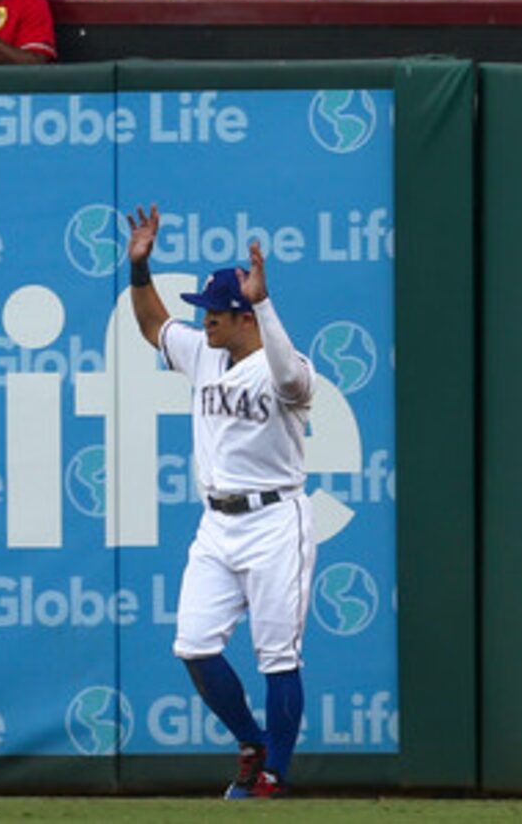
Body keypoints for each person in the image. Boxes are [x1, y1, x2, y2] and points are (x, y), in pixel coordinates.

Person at [117, 208, 315, 799]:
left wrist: (267, 302)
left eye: (215, 312)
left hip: (277, 518)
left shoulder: (283, 366)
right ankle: (253, 744)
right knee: (194, 645)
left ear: (245, 318)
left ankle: (273, 776)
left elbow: (293, 381)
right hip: (218, 523)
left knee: (278, 656)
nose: (203, 319)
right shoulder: (205, 351)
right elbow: (153, 324)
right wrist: (140, 266)